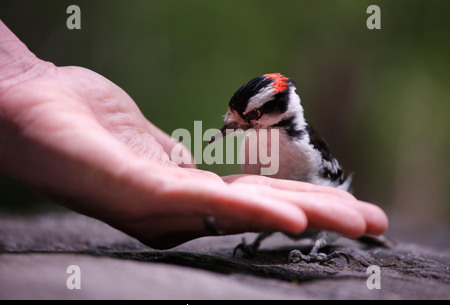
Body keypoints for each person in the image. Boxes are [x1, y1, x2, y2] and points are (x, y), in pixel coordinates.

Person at [0, 20, 387, 249]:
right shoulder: (253, 141)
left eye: (250, 116)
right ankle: (256, 238)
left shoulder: (305, 147)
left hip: (323, 224)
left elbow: (335, 188)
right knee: (266, 208)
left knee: (325, 221)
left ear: (279, 111)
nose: (235, 126)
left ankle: (322, 243)